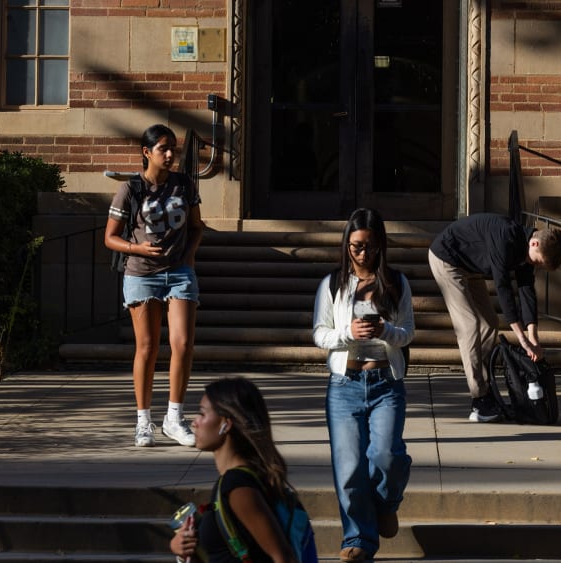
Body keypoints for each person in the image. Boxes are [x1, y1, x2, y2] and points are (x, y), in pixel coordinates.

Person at [312, 208, 415, 563]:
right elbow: (319, 333)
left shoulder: (397, 283)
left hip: (386, 383)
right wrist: (347, 333)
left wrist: (385, 330)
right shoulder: (332, 284)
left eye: (370, 247)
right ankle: (359, 539)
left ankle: (387, 502)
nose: (362, 254)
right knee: (349, 467)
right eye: (356, 246)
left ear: (380, 246)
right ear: (346, 245)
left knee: (387, 456)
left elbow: (409, 333)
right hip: (345, 384)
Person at [104, 124, 204, 447]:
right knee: (146, 347)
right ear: (147, 153)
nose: (171, 154)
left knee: (183, 344)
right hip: (141, 273)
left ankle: (174, 418)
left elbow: (197, 227)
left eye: (173, 147)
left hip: (178, 273)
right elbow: (110, 238)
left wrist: (188, 257)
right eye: (163, 148)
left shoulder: (183, 185)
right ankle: (143, 420)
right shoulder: (130, 190)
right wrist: (138, 249)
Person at [428, 213, 561, 422]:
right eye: (536, 261)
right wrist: (521, 339)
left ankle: (484, 384)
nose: (534, 265)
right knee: (470, 326)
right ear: (534, 242)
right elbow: (503, 289)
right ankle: (479, 400)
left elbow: (527, 292)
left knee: (490, 323)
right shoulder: (506, 237)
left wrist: (534, 341)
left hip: (471, 267)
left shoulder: (527, 251)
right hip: (446, 259)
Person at [169, 377, 295, 563]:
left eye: (202, 414)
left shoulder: (238, 487)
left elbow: (283, 557)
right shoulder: (229, 482)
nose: (194, 422)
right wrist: (184, 549)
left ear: (225, 425)